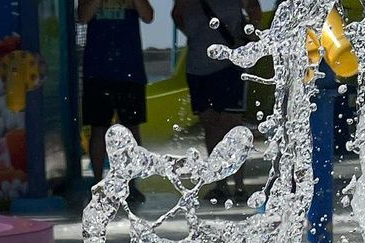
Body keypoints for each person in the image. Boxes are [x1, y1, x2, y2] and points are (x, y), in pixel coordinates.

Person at [172, 0, 263, 201]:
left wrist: (251, 33)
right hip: (198, 65)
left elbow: (254, 7)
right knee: (210, 124)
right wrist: (194, 34)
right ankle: (219, 183)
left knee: (232, 124)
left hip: (230, 63)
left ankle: (239, 186)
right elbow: (177, 14)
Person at [78, 0, 155, 202]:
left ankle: (131, 184)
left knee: (132, 129)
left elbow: (148, 16)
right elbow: (82, 17)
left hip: (130, 70)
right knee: (98, 128)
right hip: (97, 71)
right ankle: (97, 183)